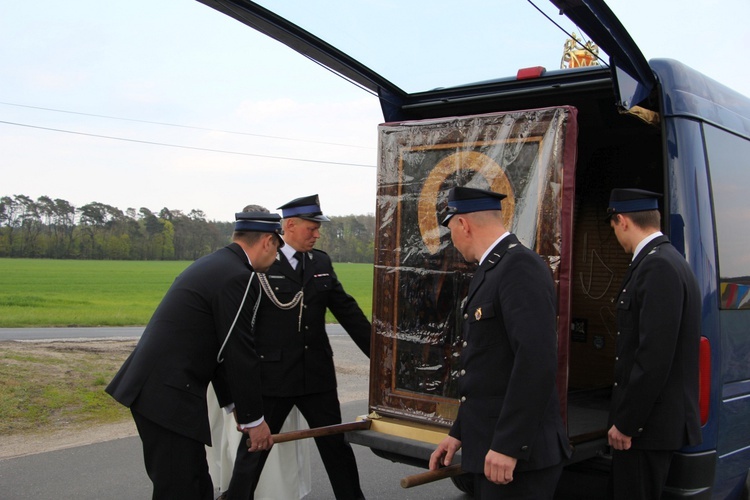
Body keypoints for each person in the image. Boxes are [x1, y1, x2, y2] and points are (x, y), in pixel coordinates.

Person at [105, 208, 284, 500]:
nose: (276, 257)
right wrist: (254, 422)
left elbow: (221, 351)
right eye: (277, 246)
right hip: (167, 395)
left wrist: (235, 405)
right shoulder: (241, 276)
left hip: (159, 391)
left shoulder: (216, 265)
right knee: (180, 489)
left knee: (196, 485)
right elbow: (240, 352)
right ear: (267, 241)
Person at [225, 194, 372, 500]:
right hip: (274, 377)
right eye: (311, 228)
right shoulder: (262, 259)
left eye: (318, 228)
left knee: (336, 448)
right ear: (289, 225)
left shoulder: (320, 261)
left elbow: (347, 311)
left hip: (316, 377)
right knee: (256, 449)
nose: (317, 233)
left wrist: (380, 355)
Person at [429, 186, 570, 499]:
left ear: (463, 224)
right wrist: (459, 433)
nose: (451, 238)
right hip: (493, 448)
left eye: (451, 228)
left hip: (518, 458)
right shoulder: (491, 268)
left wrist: (509, 445)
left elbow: (536, 361)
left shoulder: (519, 266)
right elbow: (488, 368)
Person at [605, 188, 702, 499]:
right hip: (652, 426)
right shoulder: (669, 260)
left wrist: (627, 423)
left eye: (613, 227)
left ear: (621, 221)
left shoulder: (656, 266)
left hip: (645, 429)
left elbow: (654, 357)